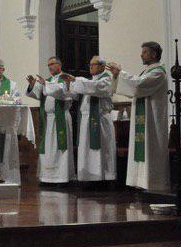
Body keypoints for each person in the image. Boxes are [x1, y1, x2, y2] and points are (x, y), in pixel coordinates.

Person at [108, 41, 169, 193]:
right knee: (142, 148)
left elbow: (138, 85)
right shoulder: (147, 71)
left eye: (145, 52)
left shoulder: (158, 72)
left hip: (152, 120)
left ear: (154, 54)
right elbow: (135, 86)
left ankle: (153, 184)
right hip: (143, 117)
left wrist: (121, 73)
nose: (141, 55)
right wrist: (117, 75)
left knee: (151, 148)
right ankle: (140, 182)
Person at [62, 56, 116, 186]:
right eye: (90, 64)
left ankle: (102, 178)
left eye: (94, 64)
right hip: (86, 119)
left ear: (102, 66)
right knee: (86, 149)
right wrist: (69, 84)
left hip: (100, 119)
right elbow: (74, 94)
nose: (91, 66)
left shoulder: (107, 79)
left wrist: (75, 79)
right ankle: (88, 177)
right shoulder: (90, 81)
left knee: (101, 150)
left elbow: (95, 88)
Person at [27, 56, 77, 185]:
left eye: (52, 64)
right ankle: (47, 177)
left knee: (60, 149)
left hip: (61, 118)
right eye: (48, 65)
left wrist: (45, 84)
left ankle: (62, 178)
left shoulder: (66, 78)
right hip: (47, 119)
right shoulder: (48, 81)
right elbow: (39, 94)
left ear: (59, 65)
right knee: (47, 149)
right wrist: (33, 85)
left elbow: (62, 92)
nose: (50, 67)